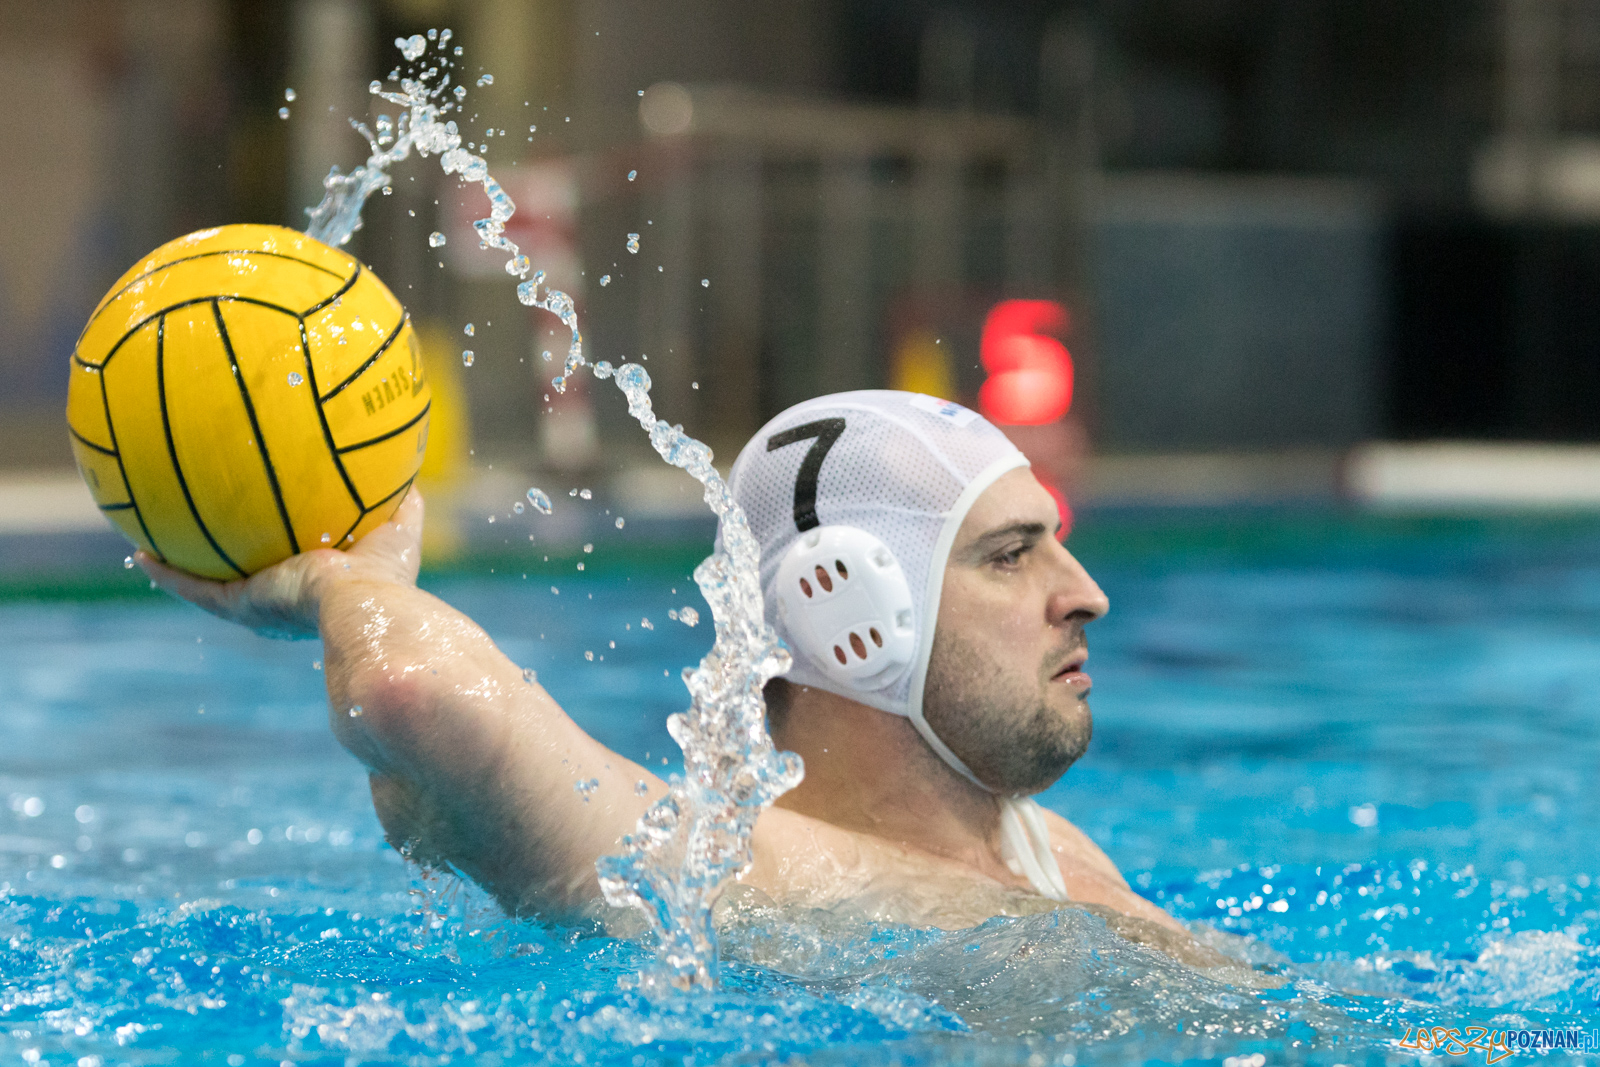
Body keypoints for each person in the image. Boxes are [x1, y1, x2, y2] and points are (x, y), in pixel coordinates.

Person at [138, 390, 1215, 963]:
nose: (1085, 593)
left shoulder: (1047, 850)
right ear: (848, 606)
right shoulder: (732, 875)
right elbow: (416, 690)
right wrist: (340, 584)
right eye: (1011, 554)